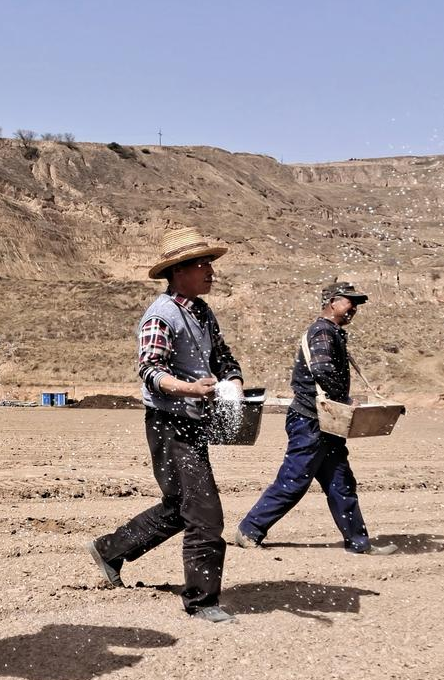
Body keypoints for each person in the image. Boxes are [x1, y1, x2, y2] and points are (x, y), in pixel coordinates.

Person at [85, 225, 243, 624]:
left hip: (190, 421)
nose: (211, 270)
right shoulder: (161, 316)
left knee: (180, 506)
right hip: (169, 423)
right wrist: (190, 389)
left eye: (210, 262)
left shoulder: (203, 312)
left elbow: (223, 357)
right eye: (202, 264)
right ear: (178, 271)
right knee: (205, 514)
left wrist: (234, 384)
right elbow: (150, 370)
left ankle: (109, 550)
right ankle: (202, 601)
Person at [233, 282, 397, 555]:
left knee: (341, 483)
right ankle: (249, 529)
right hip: (311, 421)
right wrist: (344, 401)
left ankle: (359, 543)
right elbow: (322, 369)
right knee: (294, 481)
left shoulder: (331, 331)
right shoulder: (322, 330)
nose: (354, 308)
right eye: (349, 302)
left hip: (324, 421)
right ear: (332, 302)